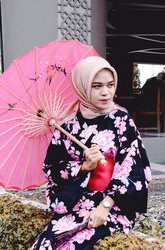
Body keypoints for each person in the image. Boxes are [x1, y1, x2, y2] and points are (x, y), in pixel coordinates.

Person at [31, 56, 152, 249]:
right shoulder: (67, 125)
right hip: (76, 201)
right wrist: (83, 167)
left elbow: (134, 169)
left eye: (110, 85)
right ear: (83, 87)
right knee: (44, 246)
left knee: (76, 245)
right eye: (97, 86)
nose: (106, 92)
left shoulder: (121, 119)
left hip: (113, 205)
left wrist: (105, 206)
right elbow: (51, 169)